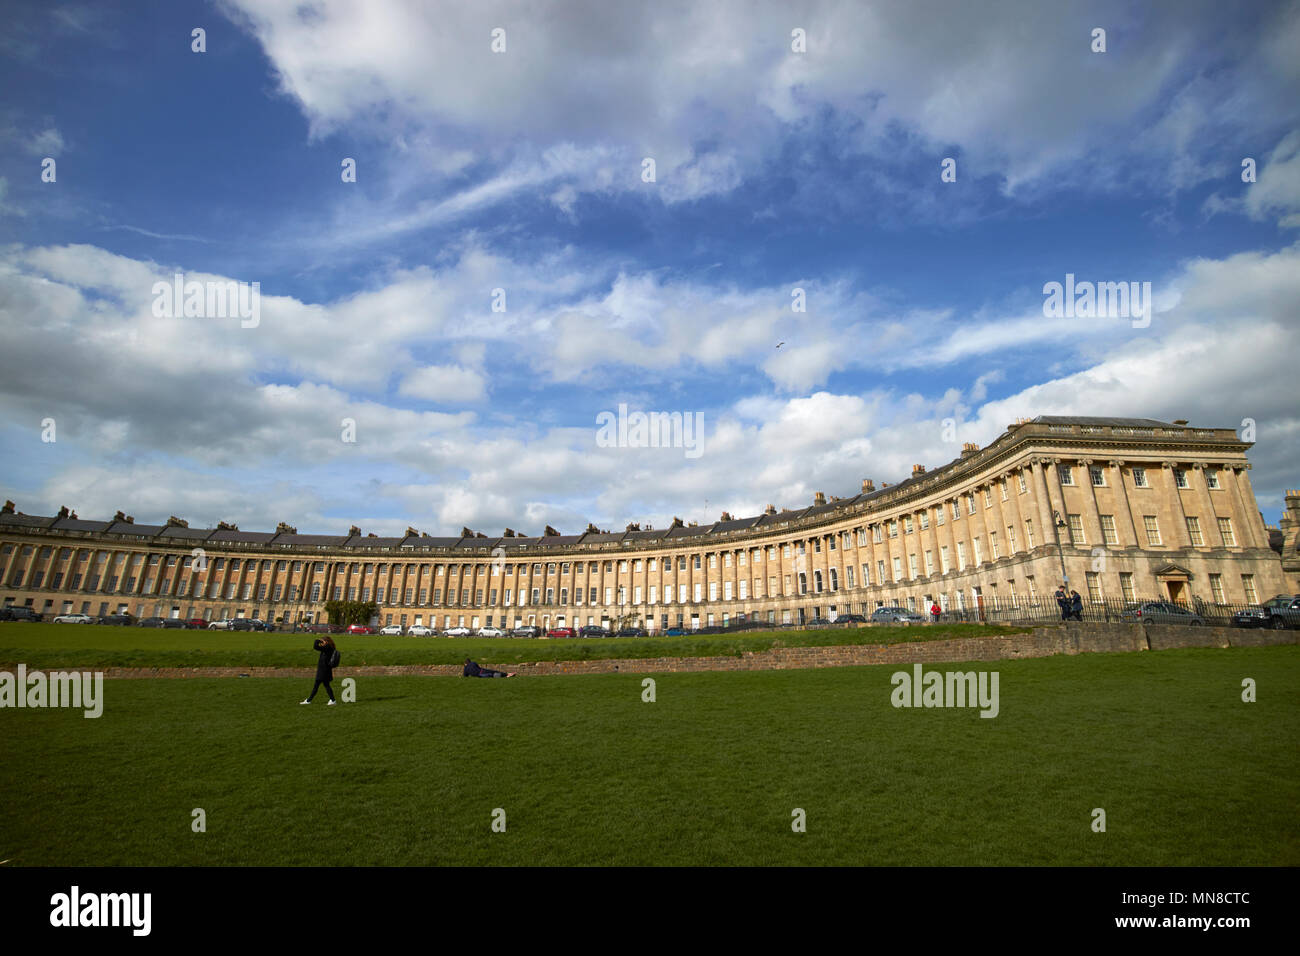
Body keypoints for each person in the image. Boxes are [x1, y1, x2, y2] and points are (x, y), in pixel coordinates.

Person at [301, 635, 338, 704]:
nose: (321, 643)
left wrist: (317, 640)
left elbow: (315, 647)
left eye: (322, 641)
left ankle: (309, 700)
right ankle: (333, 700)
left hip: (323, 671)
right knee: (326, 685)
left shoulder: (327, 647)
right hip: (325, 670)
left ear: (326, 641)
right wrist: (321, 641)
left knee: (317, 686)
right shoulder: (329, 647)